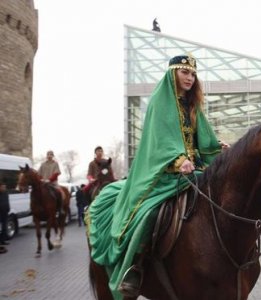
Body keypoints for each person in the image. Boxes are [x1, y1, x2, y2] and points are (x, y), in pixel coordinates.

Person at [87, 54, 228, 299]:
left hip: (192, 173)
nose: (190, 78)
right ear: (173, 73)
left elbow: (202, 139)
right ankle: (135, 269)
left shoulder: (192, 106)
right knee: (151, 213)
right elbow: (158, 142)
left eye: (193, 74)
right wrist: (177, 159)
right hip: (162, 175)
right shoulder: (160, 102)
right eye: (184, 72)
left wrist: (216, 148)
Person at [0, 181, 10, 253]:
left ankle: (3, 241)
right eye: (3, 187)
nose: (4, 188)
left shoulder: (6, 193)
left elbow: (7, 201)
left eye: (5, 187)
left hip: (5, 212)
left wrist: (8, 208)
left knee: (4, 227)